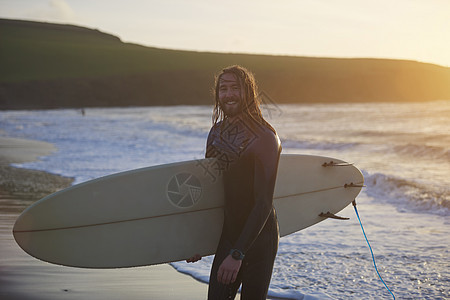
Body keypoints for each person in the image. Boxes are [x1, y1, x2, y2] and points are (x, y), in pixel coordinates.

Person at [187, 65, 281, 299]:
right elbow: (213, 193)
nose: (228, 94)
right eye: (223, 89)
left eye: (235, 88)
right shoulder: (216, 134)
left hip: (259, 239)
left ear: (248, 92)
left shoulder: (265, 137)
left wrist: (237, 254)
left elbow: (263, 203)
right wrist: (198, 241)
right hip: (229, 236)